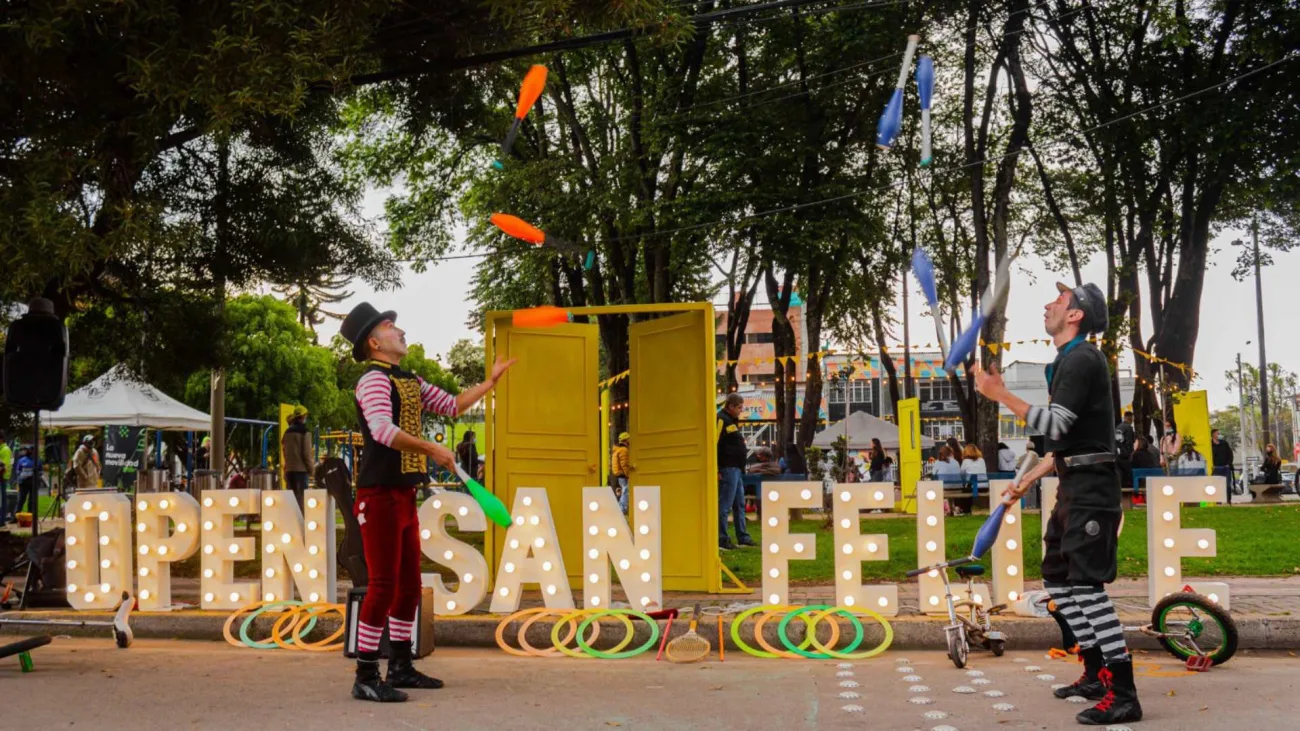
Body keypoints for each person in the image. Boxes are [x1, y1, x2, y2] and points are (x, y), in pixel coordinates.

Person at [975, 281, 1141, 725]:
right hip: (1073, 483)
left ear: (1076, 315)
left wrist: (1001, 395)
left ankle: (1124, 693)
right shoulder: (1064, 363)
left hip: (1093, 489)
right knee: (1059, 580)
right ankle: (1094, 672)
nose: (1049, 304)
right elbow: (1064, 441)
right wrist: (1028, 478)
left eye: (1060, 300)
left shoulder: (1084, 359)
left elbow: (1056, 422)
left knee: (1086, 587)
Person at [340, 301, 516, 703]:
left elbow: (451, 405)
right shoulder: (372, 379)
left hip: (401, 494)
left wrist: (489, 384)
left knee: (408, 587)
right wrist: (431, 449)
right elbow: (383, 430)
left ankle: (400, 666)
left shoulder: (408, 379)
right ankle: (366, 674)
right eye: (388, 326)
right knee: (382, 586)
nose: (398, 329)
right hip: (378, 494)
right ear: (374, 341)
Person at [716, 393, 754, 550]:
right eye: (739, 407)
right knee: (725, 504)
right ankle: (722, 538)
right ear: (730, 406)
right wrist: (717, 467)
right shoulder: (721, 419)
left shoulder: (730, 420)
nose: (740, 410)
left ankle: (742, 536)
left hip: (736, 468)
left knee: (739, 503)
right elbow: (715, 442)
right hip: (728, 467)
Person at [281, 405, 315, 507]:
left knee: (291, 501)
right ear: (303, 416)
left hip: (289, 471)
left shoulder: (286, 432)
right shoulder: (305, 432)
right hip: (301, 471)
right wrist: (312, 470)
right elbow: (306, 454)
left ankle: (290, 521)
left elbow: (284, 450)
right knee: (301, 500)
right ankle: (301, 522)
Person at [1210, 429, 1236, 502]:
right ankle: (1218, 500)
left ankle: (1228, 500)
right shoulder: (1210, 445)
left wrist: (1229, 464)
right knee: (1216, 485)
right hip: (1216, 468)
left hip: (1225, 467)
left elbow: (1230, 454)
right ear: (1213, 435)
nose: (1219, 435)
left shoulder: (1224, 443)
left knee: (1227, 485)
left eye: (1219, 433)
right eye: (1217, 433)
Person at [14, 446, 38, 516]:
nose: (27, 451)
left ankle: (30, 516)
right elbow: (18, 471)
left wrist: (34, 473)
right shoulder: (21, 460)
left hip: (33, 482)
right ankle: (15, 516)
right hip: (23, 482)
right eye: (27, 450)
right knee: (21, 500)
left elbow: (40, 472)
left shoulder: (37, 461)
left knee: (32, 501)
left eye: (29, 450)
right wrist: (23, 474)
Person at [611, 432, 631, 513]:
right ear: (626, 440)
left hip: (619, 474)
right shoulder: (624, 450)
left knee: (623, 491)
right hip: (623, 474)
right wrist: (628, 475)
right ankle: (621, 509)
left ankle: (621, 508)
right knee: (626, 492)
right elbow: (624, 464)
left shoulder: (617, 449)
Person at [0, 431, 12, 524]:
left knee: (2, 499)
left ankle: (2, 520)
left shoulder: (5, 450)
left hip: (2, 478)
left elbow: (4, 466)